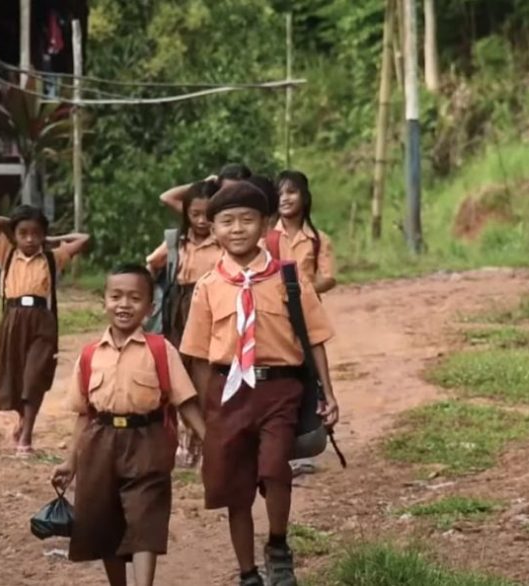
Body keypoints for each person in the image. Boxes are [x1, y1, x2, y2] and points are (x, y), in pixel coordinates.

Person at [180, 182, 339, 586]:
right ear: (213, 228)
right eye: (227, 222)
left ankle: (279, 546)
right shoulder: (207, 288)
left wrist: (328, 392)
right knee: (236, 488)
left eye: (248, 220)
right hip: (227, 392)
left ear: (265, 224)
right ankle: (248, 572)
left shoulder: (289, 279)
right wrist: (203, 413)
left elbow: (315, 339)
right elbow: (197, 357)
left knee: (274, 469)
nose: (237, 229)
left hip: (278, 389)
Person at [52, 264, 206, 586]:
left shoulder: (161, 350)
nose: (124, 304)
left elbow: (185, 400)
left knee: (146, 516)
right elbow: (84, 414)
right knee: (106, 521)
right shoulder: (91, 354)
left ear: (149, 308)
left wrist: (209, 439)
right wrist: (71, 461)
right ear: (104, 302)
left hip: (148, 441)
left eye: (134, 298)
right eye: (116, 296)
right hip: (100, 442)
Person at [0, 206, 89, 457]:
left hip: (42, 322)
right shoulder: (7, 254)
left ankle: (27, 436)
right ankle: (22, 420)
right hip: (13, 320)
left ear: (43, 235)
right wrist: (11, 229)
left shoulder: (53, 258)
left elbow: (84, 239)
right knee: (17, 377)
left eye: (36, 233)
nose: (30, 239)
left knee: (34, 377)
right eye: (23, 233)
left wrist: (51, 239)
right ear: (15, 235)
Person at [146, 179, 220, 466]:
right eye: (195, 214)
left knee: (207, 378)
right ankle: (184, 440)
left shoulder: (223, 240)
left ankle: (202, 439)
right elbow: (152, 264)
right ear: (186, 213)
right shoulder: (176, 240)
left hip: (211, 311)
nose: (201, 221)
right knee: (177, 376)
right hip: (179, 313)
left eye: (207, 214)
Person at [265, 170, 336, 295]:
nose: (284, 199)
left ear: (304, 197)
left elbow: (329, 278)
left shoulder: (319, 239)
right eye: (279, 194)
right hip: (274, 308)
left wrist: (303, 291)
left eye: (291, 192)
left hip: (308, 309)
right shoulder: (265, 238)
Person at [159, 163, 252, 214]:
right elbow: (167, 197)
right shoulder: (208, 215)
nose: (232, 197)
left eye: (238, 191)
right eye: (226, 191)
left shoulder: (256, 215)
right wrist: (202, 183)